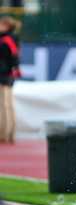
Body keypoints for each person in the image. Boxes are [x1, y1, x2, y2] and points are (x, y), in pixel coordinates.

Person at [0, 15, 21, 144]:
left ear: (6, 26)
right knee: (8, 105)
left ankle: (4, 133)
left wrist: (12, 69)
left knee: (4, 105)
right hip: (7, 73)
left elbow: (13, 57)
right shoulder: (9, 38)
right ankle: (10, 133)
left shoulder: (7, 39)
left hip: (4, 74)